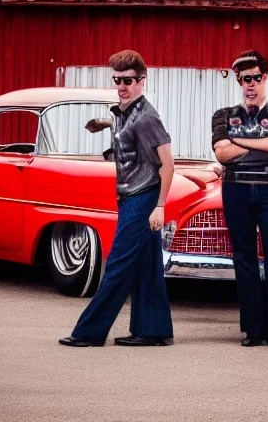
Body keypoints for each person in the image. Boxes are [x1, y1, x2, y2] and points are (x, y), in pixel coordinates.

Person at [59, 50, 174, 347]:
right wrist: (104, 123)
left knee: (118, 264)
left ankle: (89, 332)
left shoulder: (148, 118)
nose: (121, 86)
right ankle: (153, 330)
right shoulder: (123, 112)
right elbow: (125, 126)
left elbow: (168, 163)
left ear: (141, 81)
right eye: (117, 80)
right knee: (147, 264)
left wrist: (160, 206)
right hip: (129, 198)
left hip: (142, 199)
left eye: (128, 80)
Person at [212, 50, 268, 348]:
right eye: (245, 79)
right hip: (236, 191)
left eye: (256, 78)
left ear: (266, 77)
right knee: (244, 258)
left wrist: (239, 141)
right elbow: (221, 153)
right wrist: (263, 144)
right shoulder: (223, 114)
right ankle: (253, 329)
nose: (251, 84)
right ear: (238, 80)